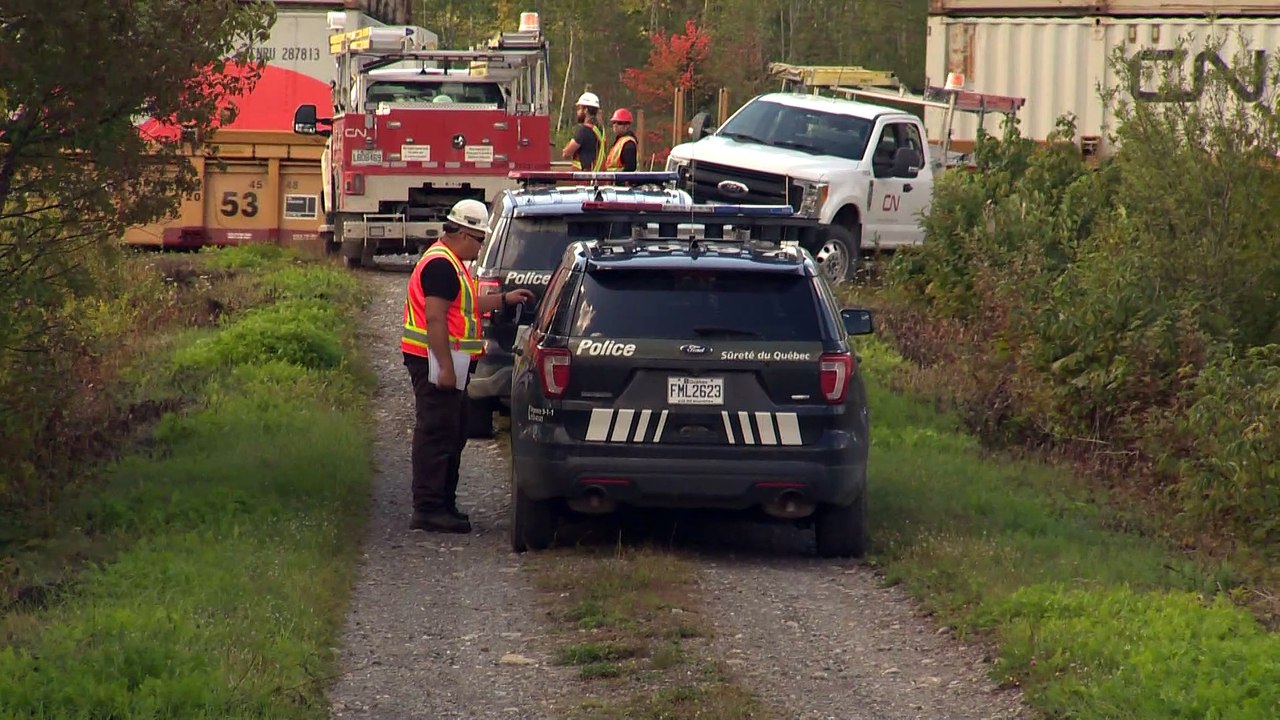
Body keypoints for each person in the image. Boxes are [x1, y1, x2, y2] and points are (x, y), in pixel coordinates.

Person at [402, 199, 534, 533]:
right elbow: (434, 318)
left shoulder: (453, 263)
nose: (481, 246)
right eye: (478, 239)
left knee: (453, 431)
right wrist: (445, 368)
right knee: (436, 433)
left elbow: (466, 304)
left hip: (450, 361)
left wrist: (505, 299)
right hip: (435, 361)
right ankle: (429, 509)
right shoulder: (441, 265)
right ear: (461, 233)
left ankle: (443, 504)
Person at [561, 91, 605, 172]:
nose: (577, 112)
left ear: (586, 110)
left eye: (579, 109)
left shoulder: (585, 130)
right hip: (595, 176)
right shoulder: (599, 130)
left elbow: (566, 153)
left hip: (584, 178)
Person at [602, 108, 638, 172]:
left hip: (622, 180)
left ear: (627, 126)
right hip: (614, 179)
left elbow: (630, 168)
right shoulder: (619, 141)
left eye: (619, 123)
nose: (615, 125)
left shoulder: (628, 144)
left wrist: (620, 180)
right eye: (614, 122)